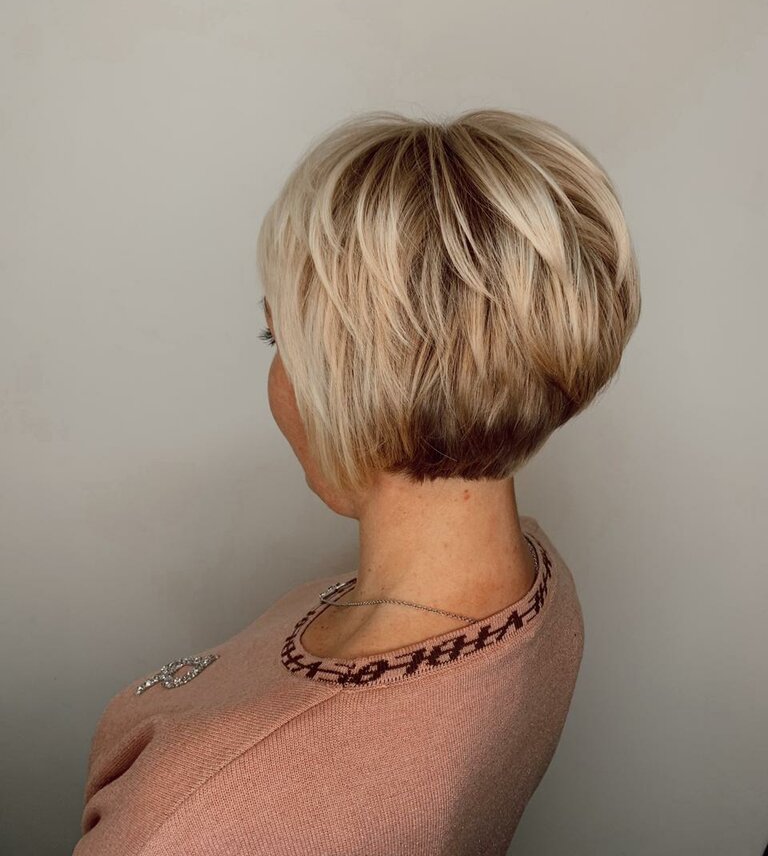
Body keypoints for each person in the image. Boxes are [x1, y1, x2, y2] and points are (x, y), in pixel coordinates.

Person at [74, 108, 641, 855]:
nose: (279, 378)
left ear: (356, 378)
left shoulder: (193, 821)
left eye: (280, 338)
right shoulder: (534, 588)